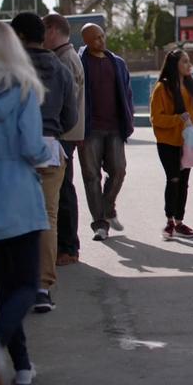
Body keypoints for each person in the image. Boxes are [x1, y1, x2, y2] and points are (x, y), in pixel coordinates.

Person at [0, 21, 52, 385]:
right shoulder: (25, 90)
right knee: (27, 285)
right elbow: (31, 147)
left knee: (4, 287)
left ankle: (21, 367)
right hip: (19, 198)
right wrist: (47, 152)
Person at [12, 12, 77, 316]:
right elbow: (71, 117)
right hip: (51, 149)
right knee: (47, 218)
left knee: (14, 217)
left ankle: (15, 283)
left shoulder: (8, 69)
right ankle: (42, 287)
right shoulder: (61, 68)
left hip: (13, 152)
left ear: (20, 37)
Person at [77, 23, 135, 242]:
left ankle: (108, 207)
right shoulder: (80, 64)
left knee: (119, 170)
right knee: (91, 177)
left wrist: (128, 119)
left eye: (102, 36)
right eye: (96, 39)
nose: (101, 41)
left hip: (114, 128)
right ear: (86, 41)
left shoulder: (117, 63)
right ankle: (100, 224)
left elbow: (127, 94)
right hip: (89, 130)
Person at [41, 14, 85, 267]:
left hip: (63, 134)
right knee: (64, 189)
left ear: (53, 30)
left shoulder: (64, 59)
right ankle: (67, 245)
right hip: (68, 133)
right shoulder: (68, 57)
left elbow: (64, 103)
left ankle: (68, 247)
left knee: (63, 191)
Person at [150, 50, 193, 240]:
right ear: (174, 64)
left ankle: (180, 221)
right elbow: (156, 118)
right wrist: (177, 119)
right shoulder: (162, 88)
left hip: (188, 142)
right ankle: (169, 222)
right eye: (184, 61)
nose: (188, 64)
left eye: (188, 61)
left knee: (184, 182)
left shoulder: (191, 86)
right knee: (173, 179)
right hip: (168, 142)